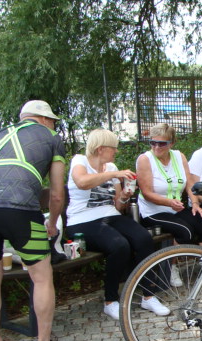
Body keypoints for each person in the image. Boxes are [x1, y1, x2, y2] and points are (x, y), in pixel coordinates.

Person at [0, 100, 67, 341]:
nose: (54, 125)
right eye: (53, 121)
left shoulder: (0, 134)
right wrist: (53, 223)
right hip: (21, 209)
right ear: (45, 119)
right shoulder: (51, 137)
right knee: (41, 276)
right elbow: (57, 194)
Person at [65, 128, 170, 320]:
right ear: (100, 149)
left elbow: (117, 206)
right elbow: (82, 182)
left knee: (144, 239)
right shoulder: (80, 161)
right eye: (113, 148)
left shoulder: (111, 167)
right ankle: (111, 301)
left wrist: (123, 196)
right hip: (81, 220)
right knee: (119, 245)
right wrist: (116, 174)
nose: (116, 151)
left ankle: (148, 295)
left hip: (110, 215)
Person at [135, 123, 202, 290]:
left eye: (162, 143)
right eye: (153, 142)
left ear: (172, 143)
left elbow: (190, 184)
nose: (157, 147)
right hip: (153, 211)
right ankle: (171, 267)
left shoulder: (179, 156)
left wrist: (195, 203)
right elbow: (146, 193)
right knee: (185, 231)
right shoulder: (145, 159)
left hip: (175, 208)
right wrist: (168, 202)